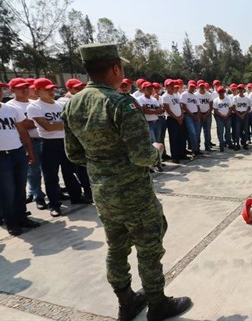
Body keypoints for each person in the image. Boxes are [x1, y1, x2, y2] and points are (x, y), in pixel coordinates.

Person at [62, 43, 191, 321]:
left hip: (103, 193)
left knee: (116, 247)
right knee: (148, 247)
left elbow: (73, 154)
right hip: (134, 193)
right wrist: (157, 149)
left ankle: (127, 302)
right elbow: (141, 157)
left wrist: (103, 165)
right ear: (115, 68)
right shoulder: (122, 103)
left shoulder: (72, 104)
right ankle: (157, 304)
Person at [0, 77, 40, 236]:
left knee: (20, 188)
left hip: (17, 153)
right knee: (6, 191)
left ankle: (22, 217)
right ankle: (11, 222)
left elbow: (22, 131)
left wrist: (29, 150)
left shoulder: (9, 109)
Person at [28, 78, 86, 217]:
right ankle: (54, 204)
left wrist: (58, 124)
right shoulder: (35, 107)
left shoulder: (60, 105)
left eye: (52, 89)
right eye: (47, 89)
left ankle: (76, 196)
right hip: (48, 144)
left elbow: (69, 123)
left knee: (69, 172)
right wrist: (63, 124)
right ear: (37, 91)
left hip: (64, 141)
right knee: (51, 176)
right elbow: (47, 127)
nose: (51, 92)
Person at [6, 78, 47, 210]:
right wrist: (38, 121)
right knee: (33, 171)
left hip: (42, 138)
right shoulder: (11, 106)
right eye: (19, 88)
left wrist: (35, 121)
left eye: (26, 87)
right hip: (28, 142)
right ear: (12, 90)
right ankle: (37, 196)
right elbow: (21, 124)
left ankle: (45, 191)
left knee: (47, 169)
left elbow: (43, 120)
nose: (24, 90)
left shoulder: (34, 103)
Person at [161, 80, 186, 163]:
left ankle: (182, 154)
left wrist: (181, 116)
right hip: (172, 119)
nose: (171, 87)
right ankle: (175, 156)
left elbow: (180, 106)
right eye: (169, 85)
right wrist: (177, 118)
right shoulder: (165, 96)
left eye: (172, 85)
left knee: (181, 137)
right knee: (174, 138)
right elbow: (168, 110)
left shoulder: (175, 95)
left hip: (179, 118)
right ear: (166, 87)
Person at [180, 80, 200, 155]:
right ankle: (194, 150)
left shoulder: (195, 96)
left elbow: (198, 106)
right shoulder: (184, 94)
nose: (192, 88)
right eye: (191, 86)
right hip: (188, 115)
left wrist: (197, 115)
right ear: (188, 86)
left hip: (196, 114)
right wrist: (192, 115)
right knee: (192, 132)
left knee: (197, 133)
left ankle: (196, 148)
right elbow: (183, 106)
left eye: (193, 87)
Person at [212, 86, 233, 152]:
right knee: (220, 131)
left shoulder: (228, 99)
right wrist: (221, 115)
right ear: (218, 93)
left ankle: (229, 143)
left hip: (227, 117)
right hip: (219, 117)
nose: (221, 93)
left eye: (222, 92)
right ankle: (221, 144)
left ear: (224, 92)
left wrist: (227, 115)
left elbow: (230, 108)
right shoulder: (216, 100)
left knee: (228, 131)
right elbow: (215, 110)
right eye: (219, 92)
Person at [195, 80, 213, 152]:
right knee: (198, 131)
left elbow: (211, 105)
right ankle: (198, 146)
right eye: (200, 86)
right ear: (198, 87)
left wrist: (207, 114)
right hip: (199, 115)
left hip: (207, 114)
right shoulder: (196, 95)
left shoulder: (208, 94)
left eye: (203, 86)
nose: (202, 87)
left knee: (207, 131)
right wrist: (200, 114)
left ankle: (207, 145)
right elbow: (195, 105)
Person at [232, 84, 251, 150]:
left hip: (245, 114)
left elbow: (248, 108)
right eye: (239, 89)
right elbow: (233, 108)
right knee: (237, 130)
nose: (240, 90)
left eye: (241, 89)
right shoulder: (235, 97)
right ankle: (237, 143)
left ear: (243, 89)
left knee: (245, 130)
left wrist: (243, 114)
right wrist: (239, 115)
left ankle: (244, 143)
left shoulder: (247, 98)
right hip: (238, 114)